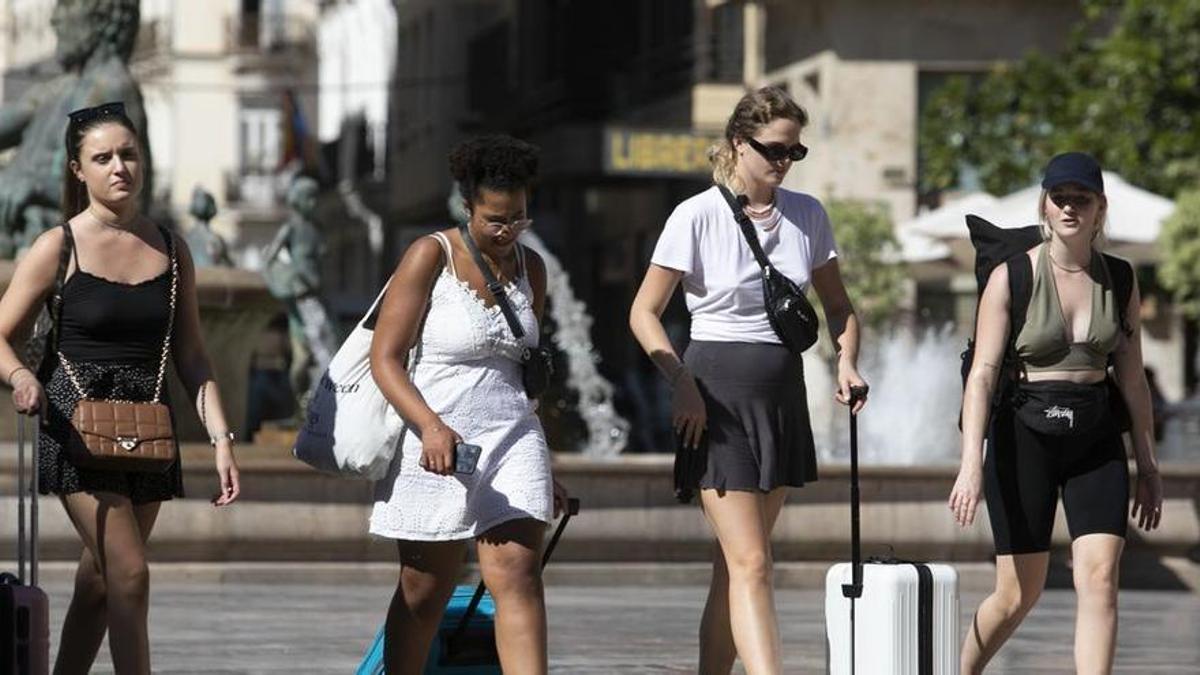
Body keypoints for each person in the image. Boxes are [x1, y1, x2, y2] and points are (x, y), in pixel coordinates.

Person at [629, 86, 868, 675]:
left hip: (780, 396)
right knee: (753, 564)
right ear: (739, 144)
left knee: (734, 566)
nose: (784, 163)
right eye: (775, 150)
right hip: (714, 398)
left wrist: (847, 360)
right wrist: (679, 378)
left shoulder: (807, 214)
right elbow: (643, 313)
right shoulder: (696, 214)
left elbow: (839, 307)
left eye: (795, 153)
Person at [0, 102, 241, 674]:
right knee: (130, 573)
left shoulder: (173, 250)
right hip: (75, 425)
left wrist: (222, 438)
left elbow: (193, 355)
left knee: (101, 582)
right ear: (77, 170)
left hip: (149, 429)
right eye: (102, 157)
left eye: (128, 154)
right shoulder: (58, 247)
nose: (119, 167)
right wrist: (21, 375)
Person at [949, 152, 1164, 674]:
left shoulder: (1120, 279)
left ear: (1099, 209)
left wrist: (1148, 465)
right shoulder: (1012, 276)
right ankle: (962, 670)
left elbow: (1131, 379)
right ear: (1044, 204)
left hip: (1094, 435)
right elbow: (981, 375)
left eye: (1081, 199)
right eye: (1060, 198)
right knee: (1018, 592)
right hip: (1024, 435)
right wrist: (970, 463)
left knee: (1101, 579)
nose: (1070, 208)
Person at [368, 134, 569, 674]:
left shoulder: (534, 269)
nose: (508, 232)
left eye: (519, 218)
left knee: (519, 576)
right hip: (436, 438)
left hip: (513, 437)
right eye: (495, 220)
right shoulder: (429, 256)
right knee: (422, 591)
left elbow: (527, 374)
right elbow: (384, 359)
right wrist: (431, 427)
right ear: (468, 206)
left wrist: (548, 468)